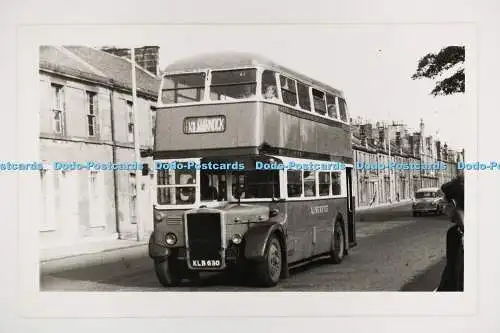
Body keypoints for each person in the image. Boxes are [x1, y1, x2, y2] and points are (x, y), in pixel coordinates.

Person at [437, 174, 464, 292]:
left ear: (453, 204)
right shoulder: (454, 235)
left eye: (445, 204)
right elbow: (447, 281)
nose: (444, 209)